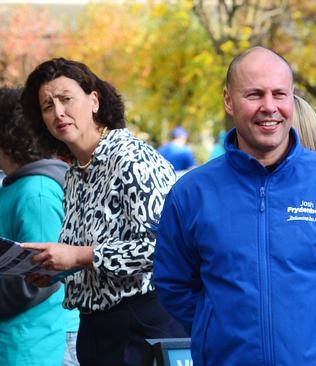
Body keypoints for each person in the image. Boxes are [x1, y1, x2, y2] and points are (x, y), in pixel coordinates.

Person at [153, 46, 316, 365]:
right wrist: (215, 330)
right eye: (254, 95)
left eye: (279, 94)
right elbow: (173, 284)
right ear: (229, 100)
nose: (270, 107)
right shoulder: (191, 193)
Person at [19, 57, 186, 366]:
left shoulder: (131, 158)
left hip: (144, 324)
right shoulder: (73, 173)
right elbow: (93, 253)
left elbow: (165, 247)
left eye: (66, 99)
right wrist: (57, 269)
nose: (58, 112)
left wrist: (80, 256)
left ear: (94, 100)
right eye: (47, 106)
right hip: (96, 329)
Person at [0, 86, 79, 365]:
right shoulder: (16, 186)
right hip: (22, 340)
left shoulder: (37, 192)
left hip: (39, 342)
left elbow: (43, 277)